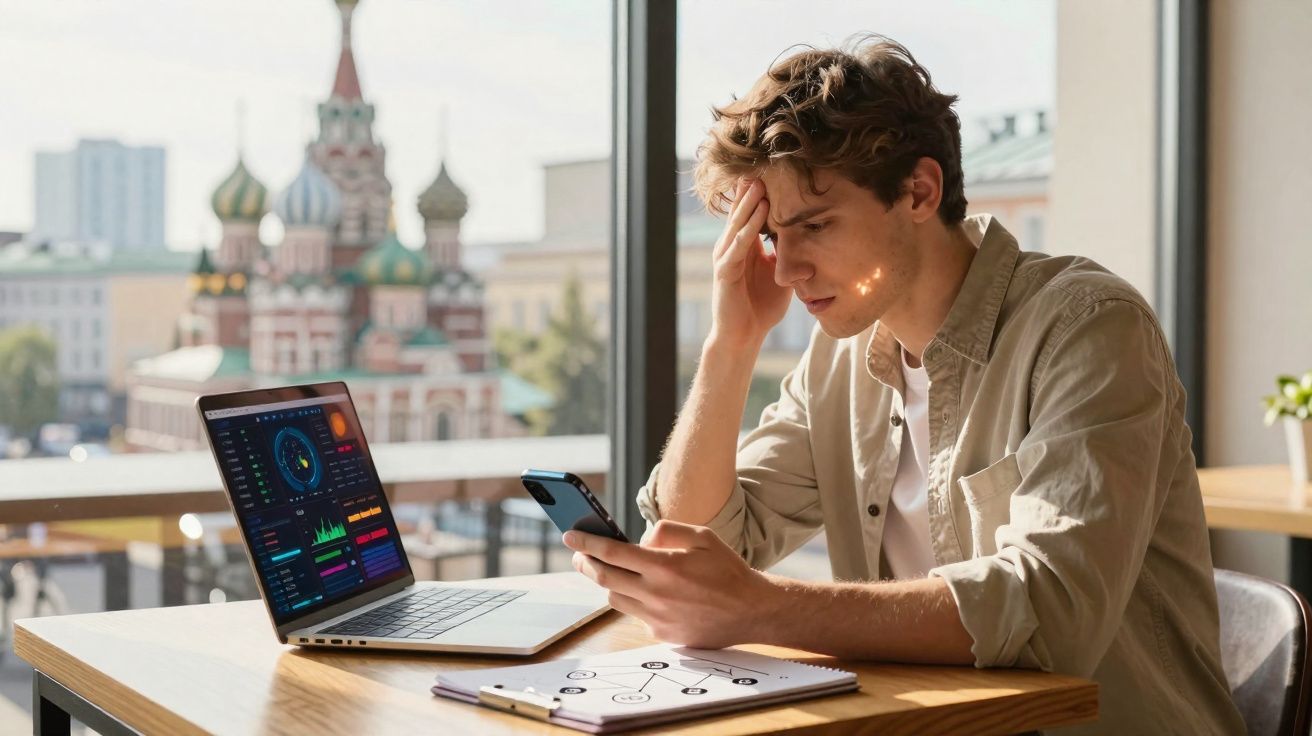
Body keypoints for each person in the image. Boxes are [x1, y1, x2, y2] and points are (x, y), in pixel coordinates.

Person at [562, 36, 1244, 733]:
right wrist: (730, 345)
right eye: (772, 237)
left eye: (815, 225)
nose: (787, 268)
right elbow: (692, 545)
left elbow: (1049, 612)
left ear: (919, 191)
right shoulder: (839, 360)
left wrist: (762, 607)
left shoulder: (1088, 327)